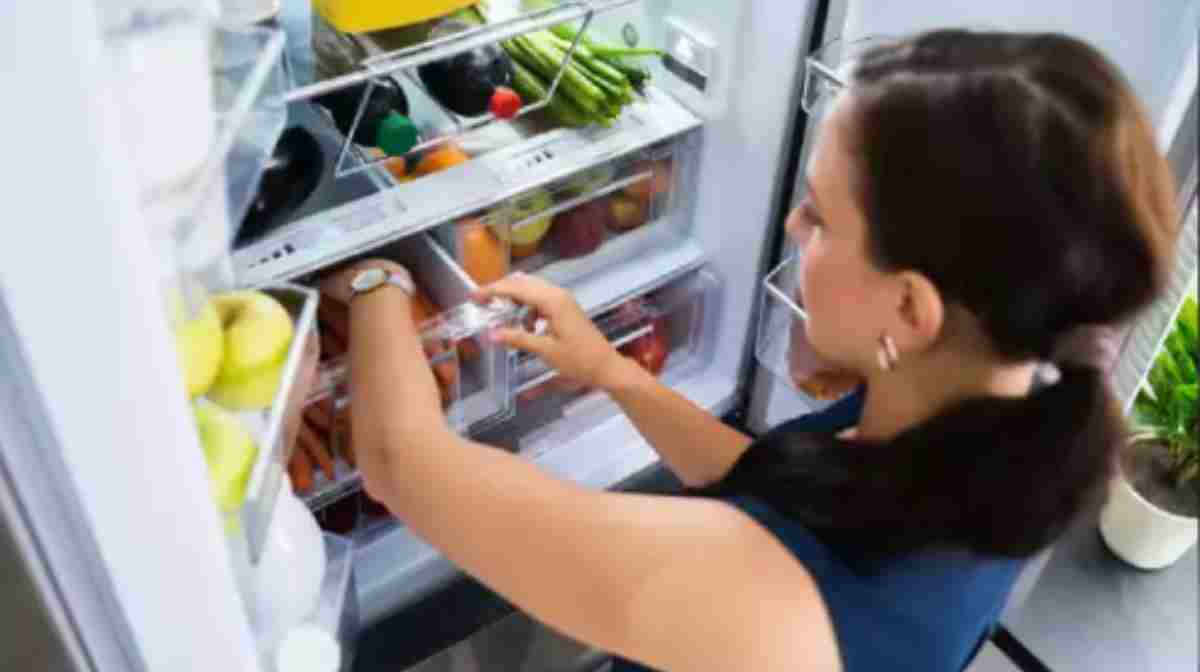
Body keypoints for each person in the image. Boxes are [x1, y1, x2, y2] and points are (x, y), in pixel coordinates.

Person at [316, 30, 1178, 671]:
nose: (795, 228)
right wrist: (613, 371)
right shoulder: (1016, 409)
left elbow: (400, 461)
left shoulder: (757, 603)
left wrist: (380, 266)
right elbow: (786, 485)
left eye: (822, 216)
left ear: (911, 307)